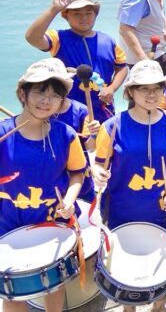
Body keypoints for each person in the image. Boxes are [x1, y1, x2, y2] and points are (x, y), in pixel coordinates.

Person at [91, 60, 166, 312]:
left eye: (157, 87)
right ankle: (127, 307)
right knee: (125, 266)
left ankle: (159, 307)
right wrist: (98, 174)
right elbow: (99, 165)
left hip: (160, 210)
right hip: (121, 209)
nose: (152, 94)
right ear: (130, 92)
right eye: (144, 88)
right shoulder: (111, 127)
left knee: (163, 263)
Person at [0, 58, 86, 312]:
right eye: (39, 91)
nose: (46, 101)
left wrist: (69, 200)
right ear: (22, 93)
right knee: (12, 291)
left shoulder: (66, 135)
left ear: (62, 102)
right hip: (9, 224)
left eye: (54, 95)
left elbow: (77, 174)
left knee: (54, 282)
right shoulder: (3, 136)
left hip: (51, 222)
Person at [25, 0, 128, 122]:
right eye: (77, 13)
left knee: (102, 141)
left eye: (88, 13)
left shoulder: (108, 41)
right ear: (66, 16)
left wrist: (112, 88)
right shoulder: (58, 38)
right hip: (67, 109)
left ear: (95, 15)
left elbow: (122, 67)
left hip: (103, 108)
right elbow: (32, 37)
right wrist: (54, 9)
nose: (84, 17)